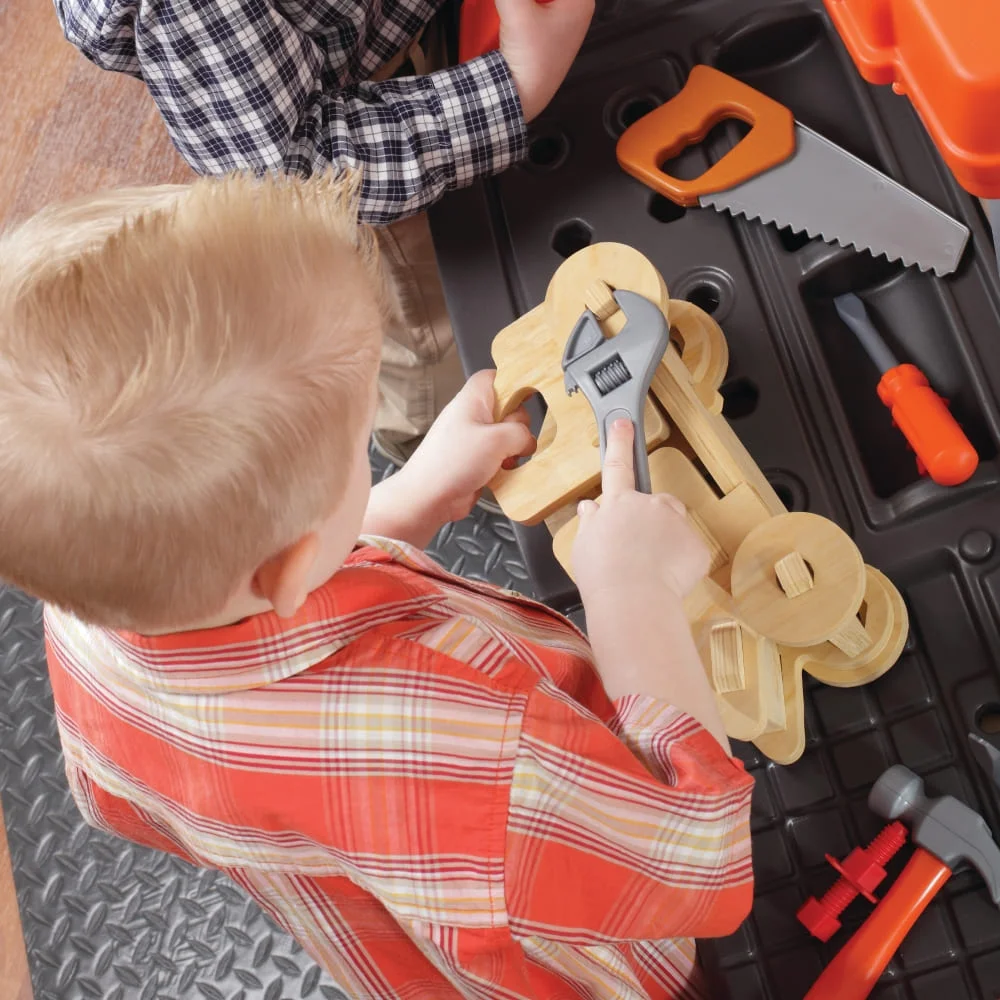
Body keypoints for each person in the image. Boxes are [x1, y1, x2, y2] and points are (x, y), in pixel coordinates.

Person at [0, 172, 754, 999]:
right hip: (581, 945)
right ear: (291, 563)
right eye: (361, 444)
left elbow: (116, 790)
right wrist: (632, 592)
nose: (370, 449)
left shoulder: (88, 606)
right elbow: (700, 864)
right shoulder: (455, 755)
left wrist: (408, 499)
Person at [55, 0, 596, 468]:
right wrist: (516, 86)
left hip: (412, 41)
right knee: (428, 339)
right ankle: (425, 443)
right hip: (368, 151)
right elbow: (294, 169)